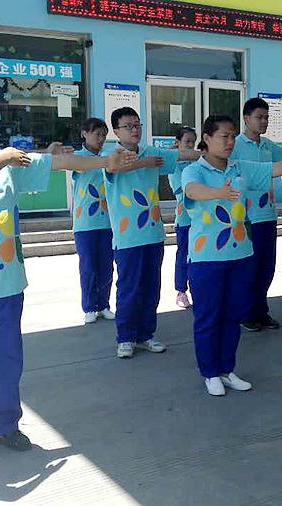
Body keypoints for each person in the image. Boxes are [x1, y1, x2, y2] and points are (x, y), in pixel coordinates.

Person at [0, 98, 135, 467]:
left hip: (7, 283)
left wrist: (105, 161)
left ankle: (5, 426)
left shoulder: (6, 163)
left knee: (7, 362)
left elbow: (59, 163)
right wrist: (6, 156)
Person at [182, 115, 282, 396]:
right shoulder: (195, 170)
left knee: (232, 315)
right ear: (207, 138)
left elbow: (274, 168)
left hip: (240, 254)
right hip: (207, 259)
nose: (230, 142)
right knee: (208, 317)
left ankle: (227, 369)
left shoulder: (240, 168)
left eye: (232, 136)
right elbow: (193, 190)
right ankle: (210, 373)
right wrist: (218, 192)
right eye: (224, 136)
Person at [105, 107, 200, 359]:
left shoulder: (151, 152)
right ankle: (126, 337)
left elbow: (181, 154)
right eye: (128, 126)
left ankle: (146, 334)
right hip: (127, 237)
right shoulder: (110, 155)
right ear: (116, 131)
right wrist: (144, 163)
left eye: (137, 124)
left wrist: (209, 152)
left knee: (150, 287)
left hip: (153, 233)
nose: (134, 130)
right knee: (129, 288)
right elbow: (115, 169)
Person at [231, 98, 282, 332]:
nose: (264, 121)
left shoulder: (268, 146)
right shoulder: (235, 145)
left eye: (267, 117)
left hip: (267, 214)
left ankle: (261, 311)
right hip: (245, 218)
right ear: (246, 118)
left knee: (266, 267)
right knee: (249, 267)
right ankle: (246, 313)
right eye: (259, 117)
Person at [72, 117, 116, 325]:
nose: (101, 138)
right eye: (97, 134)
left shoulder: (109, 157)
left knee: (107, 266)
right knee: (88, 267)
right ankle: (89, 306)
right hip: (85, 223)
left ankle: (104, 304)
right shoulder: (77, 158)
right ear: (84, 134)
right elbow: (78, 167)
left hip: (108, 221)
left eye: (104, 135)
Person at [169, 126, 198, 309]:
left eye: (193, 142)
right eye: (187, 141)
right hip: (185, 219)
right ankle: (181, 291)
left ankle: (197, 290)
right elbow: (183, 188)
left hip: (200, 219)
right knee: (183, 255)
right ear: (177, 143)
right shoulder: (175, 166)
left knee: (198, 256)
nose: (190, 145)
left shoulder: (197, 163)